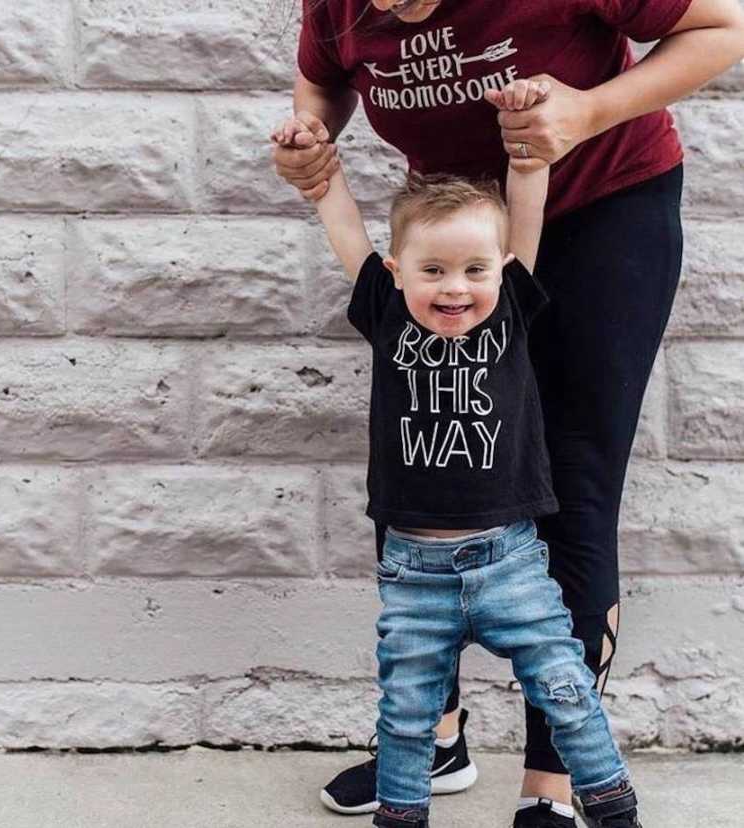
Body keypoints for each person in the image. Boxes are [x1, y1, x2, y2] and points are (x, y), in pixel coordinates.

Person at [271, 1, 744, 824]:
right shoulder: (343, 3)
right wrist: (312, 146)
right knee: (424, 463)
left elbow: (725, 26)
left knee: (574, 487)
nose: (390, 9)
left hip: (604, 207)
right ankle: (432, 740)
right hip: (455, 242)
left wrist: (590, 109)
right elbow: (322, 84)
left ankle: (555, 783)